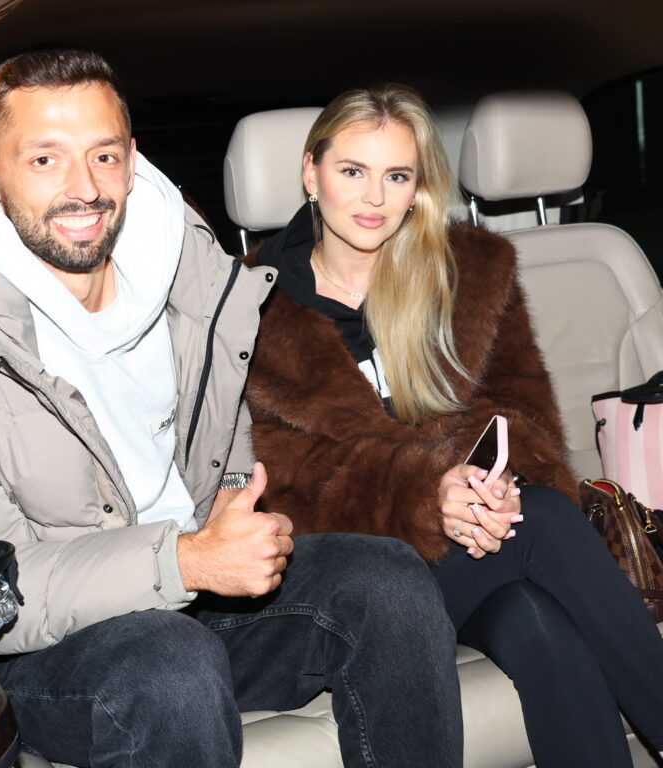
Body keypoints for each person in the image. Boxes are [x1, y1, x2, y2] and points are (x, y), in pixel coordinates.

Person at [0, 51, 464, 768]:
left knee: (389, 580)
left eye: (104, 156)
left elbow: (225, 447)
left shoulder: (187, 272)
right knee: (171, 661)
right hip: (44, 650)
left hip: (196, 601)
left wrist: (229, 509)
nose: (85, 189)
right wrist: (187, 560)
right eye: (45, 160)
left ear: (131, 159)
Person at [244, 83, 663, 768]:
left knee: (537, 623)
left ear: (418, 188)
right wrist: (425, 496)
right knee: (546, 522)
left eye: (397, 176)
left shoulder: (467, 274)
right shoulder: (251, 313)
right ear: (310, 173)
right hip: (359, 577)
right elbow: (290, 486)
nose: (375, 197)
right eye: (352, 171)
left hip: (480, 544)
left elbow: (524, 416)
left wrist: (488, 488)